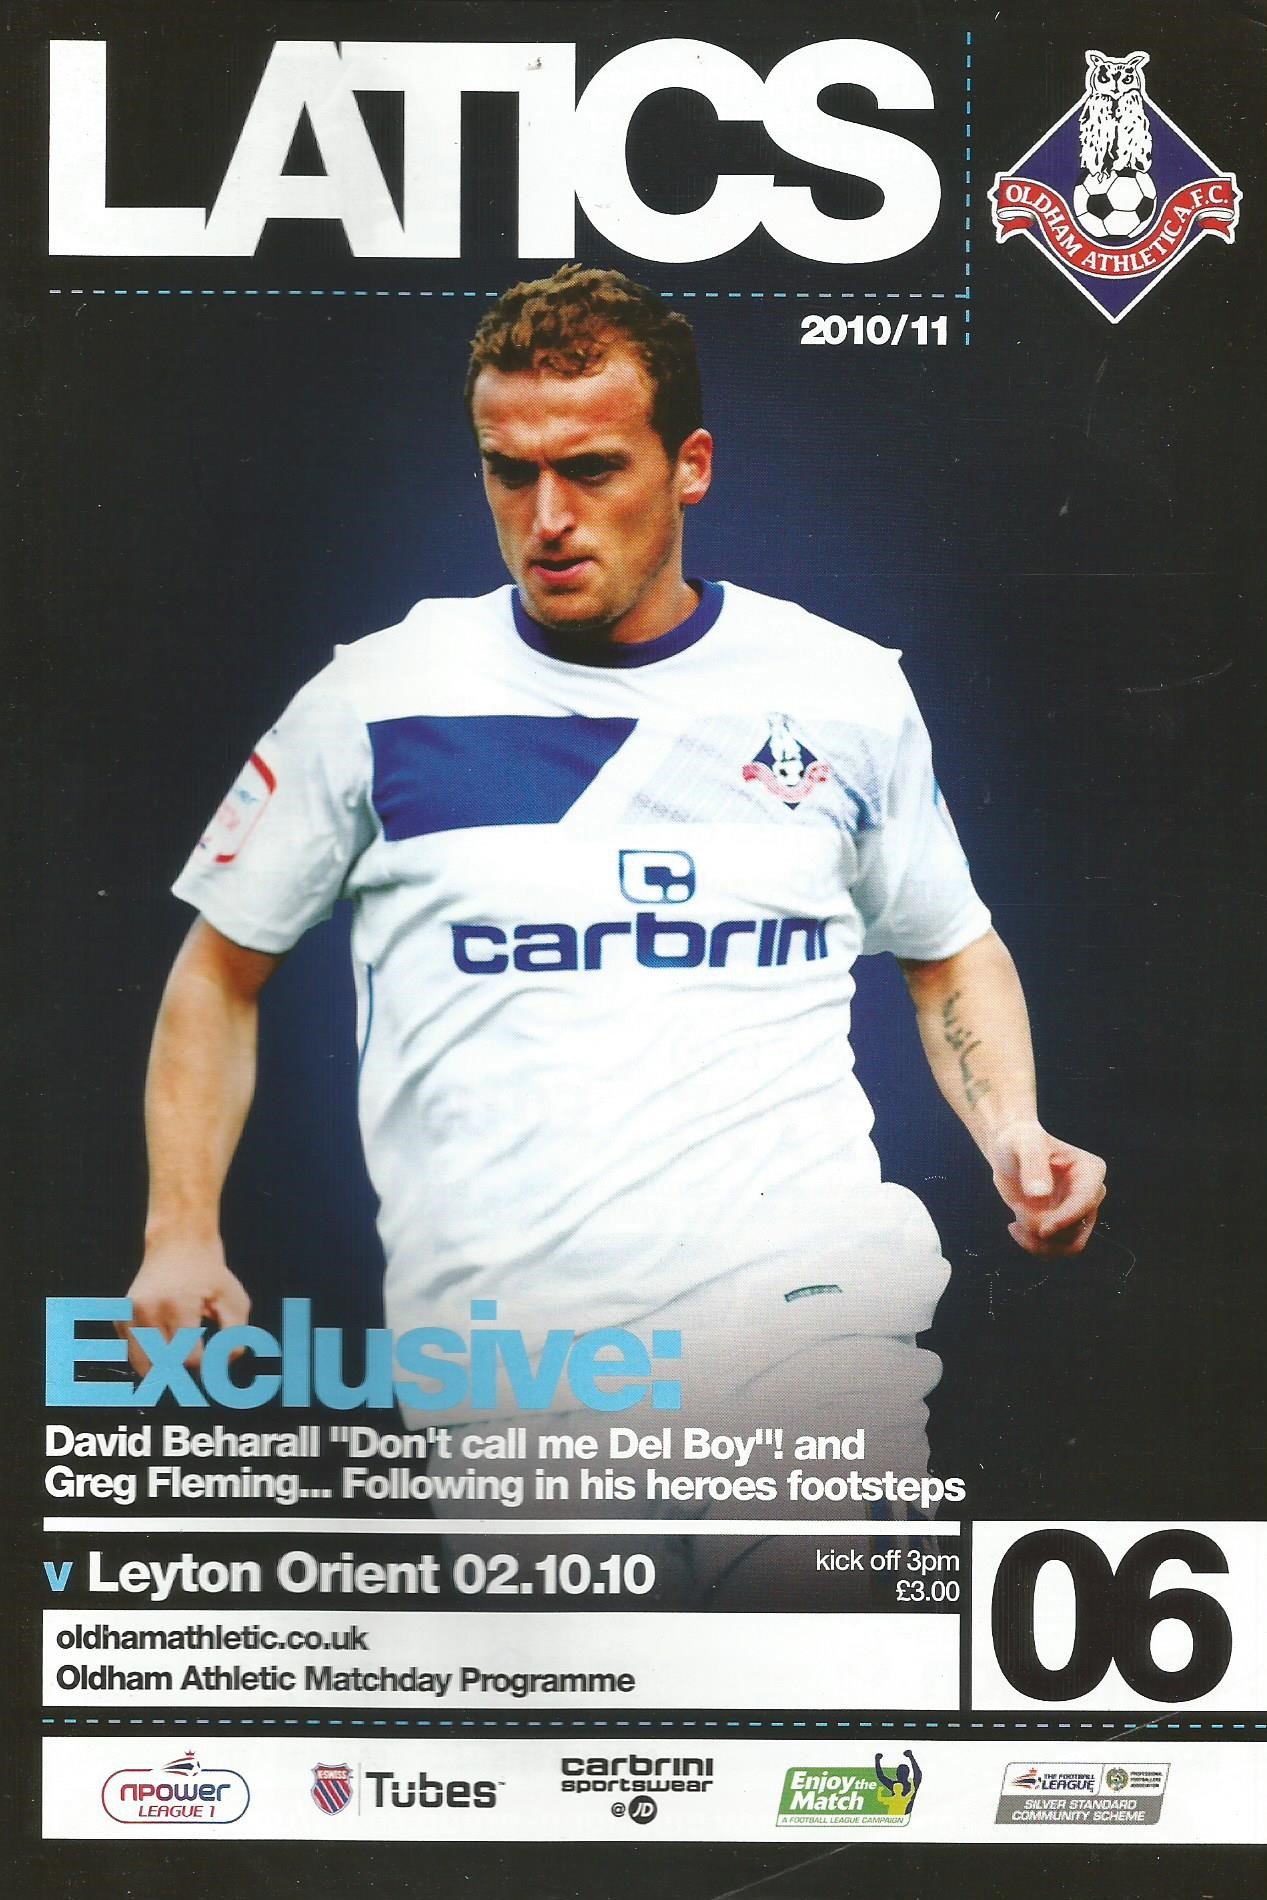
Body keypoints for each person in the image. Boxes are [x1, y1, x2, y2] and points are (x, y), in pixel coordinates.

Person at [126, 265, 1104, 1598]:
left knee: (816, 1671)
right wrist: (180, 1232)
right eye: (509, 472)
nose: (547, 518)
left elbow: (947, 948)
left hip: (800, 1310)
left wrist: (1012, 1130)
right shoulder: (378, 699)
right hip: (508, 1362)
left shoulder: (842, 693)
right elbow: (218, 972)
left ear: (688, 466)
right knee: (601, 1721)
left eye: (591, 469)